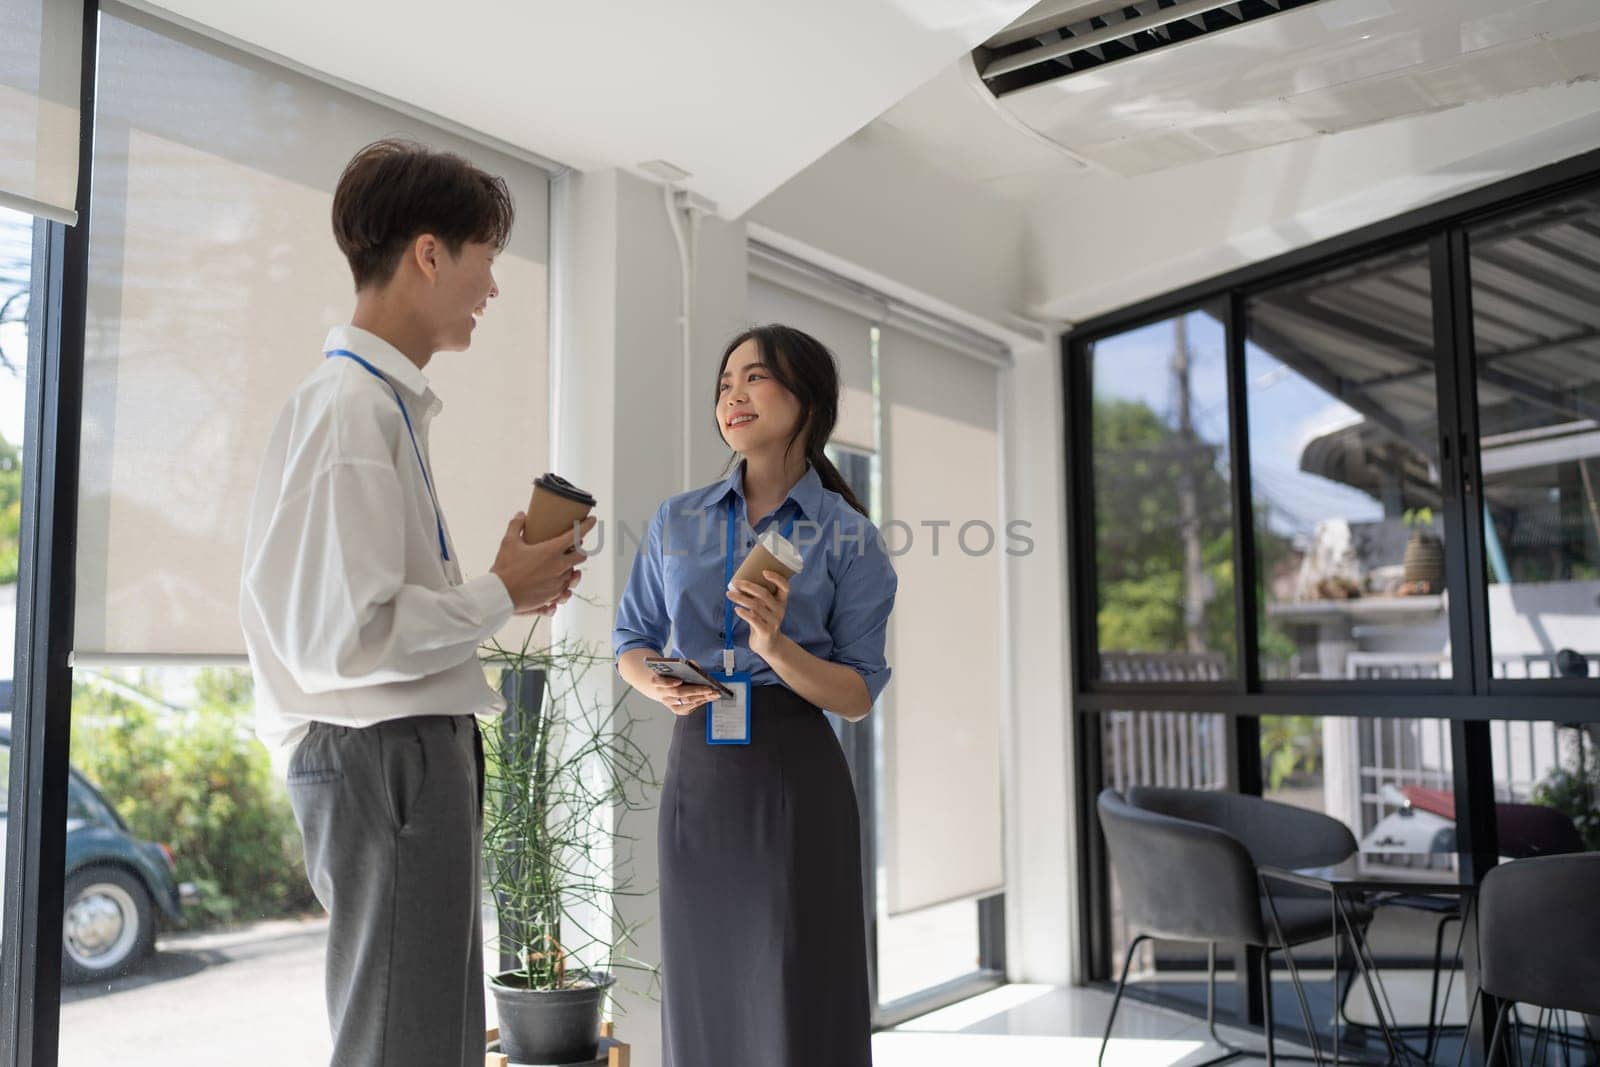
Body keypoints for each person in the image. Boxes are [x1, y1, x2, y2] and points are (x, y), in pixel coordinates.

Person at [239, 139, 593, 1067]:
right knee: (406, 1041)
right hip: (384, 759)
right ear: (430, 254)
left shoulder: (373, 408)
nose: (493, 288)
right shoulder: (352, 410)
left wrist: (497, 587)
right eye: (487, 261)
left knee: (425, 1035)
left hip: (399, 756)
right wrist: (495, 591)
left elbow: (364, 614)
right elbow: (343, 641)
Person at [613, 324, 897, 1066]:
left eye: (755, 378)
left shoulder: (849, 538)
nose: (732, 396)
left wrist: (775, 645)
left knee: (797, 984)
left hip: (795, 773)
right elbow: (631, 640)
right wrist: (659, 680)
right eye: (724, 383)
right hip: (699, 771)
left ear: (807, 401)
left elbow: (858, 693)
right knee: (703, 985)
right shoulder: (679, 520)